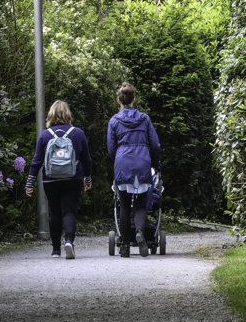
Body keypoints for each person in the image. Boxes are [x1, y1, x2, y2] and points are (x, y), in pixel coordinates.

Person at [25, 100, 93, 259]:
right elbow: (86, 160)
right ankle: (69, 241)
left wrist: (30, 182)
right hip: (73, 177)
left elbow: (37, 161)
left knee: (55, 213)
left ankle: (56, 250)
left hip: (50, 180)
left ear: (50, 115)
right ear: (68, 114)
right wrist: (87, 178)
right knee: (69, 211)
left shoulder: (45, 135)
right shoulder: (78, 133)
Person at [107, 82, 161, 258]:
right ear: (134, 100)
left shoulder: (114, 121)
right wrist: (154, 164)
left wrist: (119, 159)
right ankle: (139, 232)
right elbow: (155, 144)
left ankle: (124, 247)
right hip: (142, 163)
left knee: (124, 205)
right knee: (140, 204)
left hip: (123, 163)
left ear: (119, 101)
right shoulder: (144, 119)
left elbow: (111, 147)